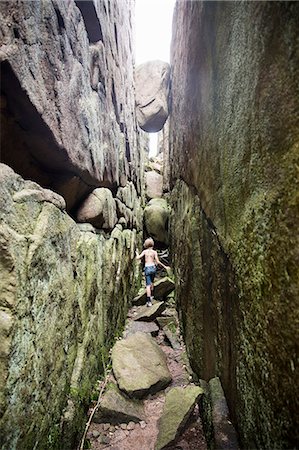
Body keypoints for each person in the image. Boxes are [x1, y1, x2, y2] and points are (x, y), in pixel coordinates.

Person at [135, 237, 170, 307]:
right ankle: (152, 295)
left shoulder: (144, 252)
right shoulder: (154, 252)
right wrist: (165, 266)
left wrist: (136, 253)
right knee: (152, 283)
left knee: (147, 285)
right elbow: (157, 261)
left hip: (147, 268)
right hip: (153, 268)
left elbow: (138, 258)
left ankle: (149, 301)